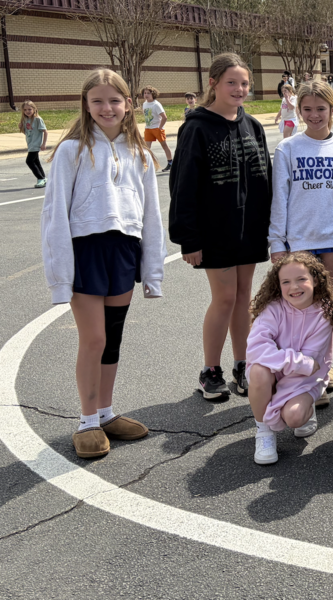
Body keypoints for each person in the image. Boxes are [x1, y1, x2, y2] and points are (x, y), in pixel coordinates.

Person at [42, 69, 165, 459]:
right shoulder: (71, 150)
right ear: (86, 104)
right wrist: (60, 276)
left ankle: (107, 413)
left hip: (123, 252)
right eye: (98, 101)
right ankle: (87, 421)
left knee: (112, 338)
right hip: (86, 252)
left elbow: (151, 216)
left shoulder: (140, 153)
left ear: (129, 104)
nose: (107, 108)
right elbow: (54, 214)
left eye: (115, 100)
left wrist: (152, 269)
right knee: (93, 339)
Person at [169, 53, 273, 401]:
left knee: (245, 298)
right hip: (215, 231)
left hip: (249, 228)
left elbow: (265, 181)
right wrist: (188, 239)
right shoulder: (196, 127)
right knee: (225, 297)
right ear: (213, 83)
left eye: (244, 83)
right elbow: (183, 185)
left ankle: (242, 365)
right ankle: (209, 371)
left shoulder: (253, 126)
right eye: (231, 82)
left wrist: (270, 228)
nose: (239, 89)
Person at [269, 82, 333, 402]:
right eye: (307, 109)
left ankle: (324, 367)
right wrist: (277, 243)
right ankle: (300, 367)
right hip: (299, 241)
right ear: (299, 110)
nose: (314, 115)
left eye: (321, 108)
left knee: (326, 306)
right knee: (299, 308)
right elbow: (279, 200)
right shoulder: (288, 149)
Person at [246, 253, 333, 464]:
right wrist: (297, 362)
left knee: (294, 418)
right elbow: (256, 349)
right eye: (286, 282)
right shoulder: (273, 308)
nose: (294, 287)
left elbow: (312, 364)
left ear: (315, 279)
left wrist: (282, 360)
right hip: (277, 374)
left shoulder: (324, 314)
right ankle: (264, 432)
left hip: (302, 381)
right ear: (278, 285)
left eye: (301, 279)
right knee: (258, 370)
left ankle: (306, 406)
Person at [141, 86, 173, 172]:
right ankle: (146, 164)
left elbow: (164, 117)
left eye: (148, 93)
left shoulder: (156, 104)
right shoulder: (144, 104)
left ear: (153, 94)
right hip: (148, 128)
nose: (146, 95)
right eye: (145, 93)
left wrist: (160, 127)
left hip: (157, 129)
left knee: (164, 145)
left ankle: (170, 163)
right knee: (146, 147)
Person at [19, 100, 47, 188]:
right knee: (36, 161)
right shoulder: (26, 119)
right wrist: (21, 128)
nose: (27, 111)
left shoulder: (38, 119)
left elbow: (45, 132)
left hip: (36, 144)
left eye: (29, 109)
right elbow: (27, 133)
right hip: (30, 144)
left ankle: (40, 178)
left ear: (34, 109)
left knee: (29, 161)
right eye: (25, 110)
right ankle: (43, 178)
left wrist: (43, 144)